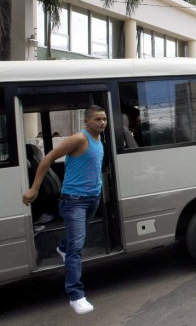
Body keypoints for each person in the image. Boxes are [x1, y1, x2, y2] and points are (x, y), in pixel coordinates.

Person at [22, 105, 107, 315]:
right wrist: (34, 188)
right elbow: (48, 158)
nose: (102, 122)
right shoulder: (80, 138)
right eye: (97, 119)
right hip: (74, 201)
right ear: (86, 121)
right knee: (77, 248)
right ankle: (76, 295)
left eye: (104, 119)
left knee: (77, 240)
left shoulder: (99, 140)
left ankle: (62, 247)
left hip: (93, 199)